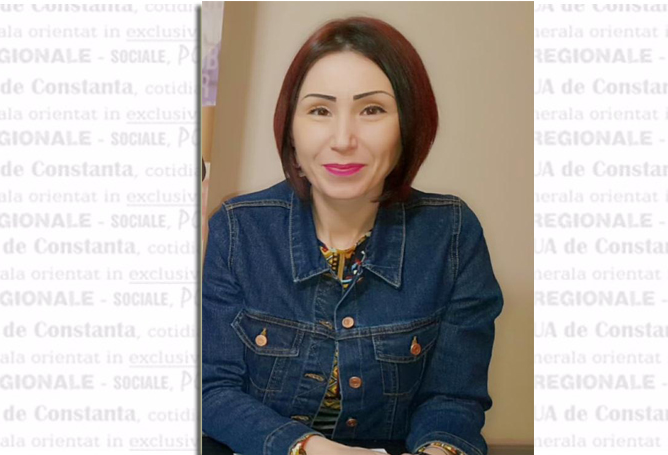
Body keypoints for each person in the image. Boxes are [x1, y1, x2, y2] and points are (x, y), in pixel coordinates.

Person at [202, 16, 504, 455]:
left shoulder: (452, 234)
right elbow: (211, 389)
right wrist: (312, 449)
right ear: (291, 130)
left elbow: (453, 399)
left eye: (372, 110)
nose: (343, 139)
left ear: (408, 125)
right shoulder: (238, 229)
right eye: (320, 111)